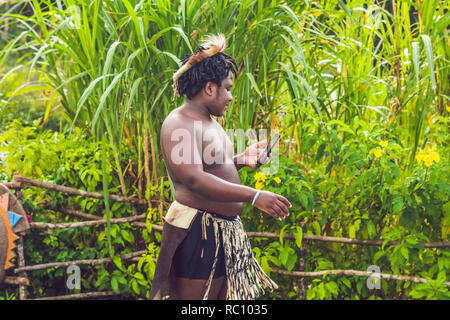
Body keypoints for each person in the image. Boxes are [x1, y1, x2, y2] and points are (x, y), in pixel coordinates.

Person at [149, 34, 291, 300]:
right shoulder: (179, 123)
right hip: (197, 232)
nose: (230, 96)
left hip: (222, 232)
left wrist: (241, 158)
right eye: (226, 88)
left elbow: (208, 164)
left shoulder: (208, 122)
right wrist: (255, 195)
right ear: (209, 88)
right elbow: (194, 179)